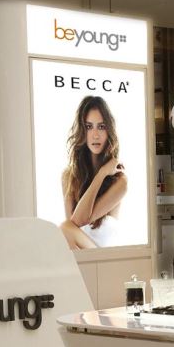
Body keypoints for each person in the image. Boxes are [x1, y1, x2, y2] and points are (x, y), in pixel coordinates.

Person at [60, 96, 126, 250]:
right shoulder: (69, 177)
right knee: (63, 230)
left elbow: (76, 223)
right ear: (82, 131)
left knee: (64, 228)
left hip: (104, 258)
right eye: (89, 127)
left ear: (109, 131)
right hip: (78, 258)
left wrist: (103, 174)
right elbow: (74, 224)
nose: (95, 135)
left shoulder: (120, 182)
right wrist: (101, 174)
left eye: (101, 127)